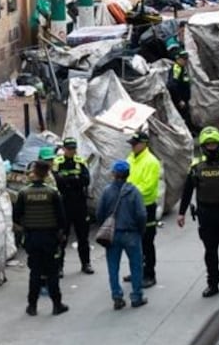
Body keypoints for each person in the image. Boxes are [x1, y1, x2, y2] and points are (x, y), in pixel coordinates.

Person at [177, 127, 219, 298]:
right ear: (202, 146)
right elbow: (187, 190)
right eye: (208, 145)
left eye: (214, 144)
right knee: (210, 251)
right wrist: (181, 212)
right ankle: (212, 283)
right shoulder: (196, 166)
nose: (211, 147)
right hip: (206, 213)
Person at [12, 161, 69, 317]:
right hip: (50, 237)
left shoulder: (24, 193)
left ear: (35, 173)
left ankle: (32, 306)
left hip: (32, 237)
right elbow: (61, 218)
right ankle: (57, 305)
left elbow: (16, 216)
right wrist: (61, 235)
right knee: (52, 272)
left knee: (35, 272)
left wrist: (25, 228)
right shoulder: (52, 192)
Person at [95, 160, 147, 310]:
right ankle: (137, 296)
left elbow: (99, 213)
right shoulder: (134, 192)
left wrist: (105, 226)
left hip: (112, 235)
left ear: (113, 174)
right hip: (131, 234)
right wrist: (140, 230)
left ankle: (117, 297)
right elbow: (141, 214)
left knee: (113, 267)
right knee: (136, 266)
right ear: (128, 175)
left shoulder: (106, 191)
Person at [53, 137, 94, 277]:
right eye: (69, 148)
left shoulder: (80, 162)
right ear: (64, 149)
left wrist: (68, 180)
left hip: (80, 203)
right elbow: (56, 181)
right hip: (64, 204)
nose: (71, 151)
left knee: (83, 237)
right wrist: (74, 180)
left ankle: (86, 263)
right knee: (62, 237)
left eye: (73, 148)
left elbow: (86, 180)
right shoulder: (57, 163)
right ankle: (59, 267)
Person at [126, 131, 161, 288]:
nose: (132, 146)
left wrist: (128, 192)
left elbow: (148, 187)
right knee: (133, 242)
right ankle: (136, 270)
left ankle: (149, 274)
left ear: (144, 144)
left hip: (146, 207)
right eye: (132, 144)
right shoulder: (130, 159)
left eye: (135, 144)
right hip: (131, 207)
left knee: (147, 242)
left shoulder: (151, 162)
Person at [167, 47, 193, 130]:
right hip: (179, 100)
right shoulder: (176, 68)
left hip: (184, 98)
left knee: (187, 115)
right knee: (183, 117)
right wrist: (179, 100)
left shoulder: (182, 68)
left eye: (186, 59)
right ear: (177, 58)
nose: (185, 61)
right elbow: (171, 85)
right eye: (183, 59)